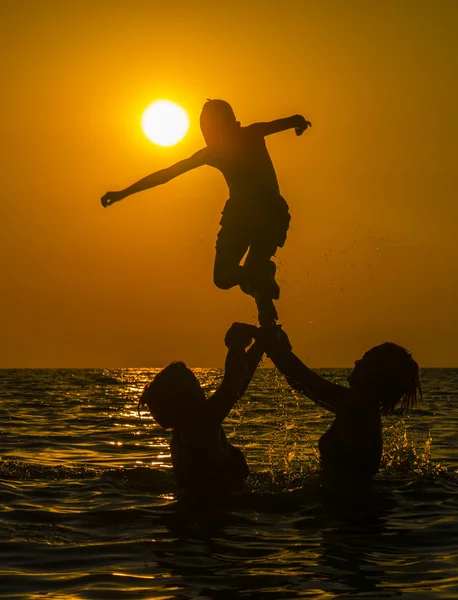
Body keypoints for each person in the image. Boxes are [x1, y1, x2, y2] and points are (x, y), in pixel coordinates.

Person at [101, 99, 311, 325]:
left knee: (223, 276)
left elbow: (166, 174)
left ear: (219, 127)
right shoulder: (251, 133)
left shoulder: (216, 151)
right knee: (253, 270)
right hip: (272, 214)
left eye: (207, 130)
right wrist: (299, 124)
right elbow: (288, 121)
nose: (206, 136)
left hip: (243, 217)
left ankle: (261, 282)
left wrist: (123, 194)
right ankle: (264, 294)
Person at [260, 326, 422, 485]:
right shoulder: (362, 409)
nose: (356, 362)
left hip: (343, 506)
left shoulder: (358, 407)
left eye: (364, 360)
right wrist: (278, 344)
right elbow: (299, 382)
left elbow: (299, 375)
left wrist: (264, 338)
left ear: (374, 374)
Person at [138, 322, 264, 492]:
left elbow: (236, 386)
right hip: (220, 507)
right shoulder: (202, 423)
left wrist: (258, 347)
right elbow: (233, 382)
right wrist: (236, 343)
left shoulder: (186, 429)